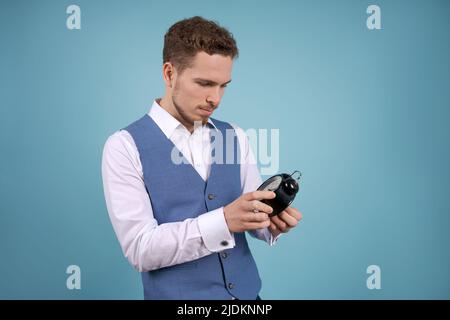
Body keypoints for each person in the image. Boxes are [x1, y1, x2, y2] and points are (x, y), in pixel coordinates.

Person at [101, 16, 302, 300]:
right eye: (205, 83)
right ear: (170, 74)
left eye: (223, 86)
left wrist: (271, 224)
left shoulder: (235, 136)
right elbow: (140, 249)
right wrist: (222, 221)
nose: (215, 99)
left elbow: (251, 214)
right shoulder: (124, 146)